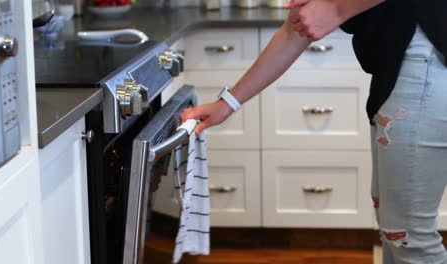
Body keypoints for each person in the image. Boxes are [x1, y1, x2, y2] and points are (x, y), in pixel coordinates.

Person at [180, 0, 447, 263]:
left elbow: (322, 13)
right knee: (395, 233)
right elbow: (297, 26)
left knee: (409, 240)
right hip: (397, 72)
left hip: (425, 65)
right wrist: (228, 103)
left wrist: (336, 9)